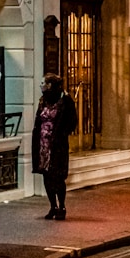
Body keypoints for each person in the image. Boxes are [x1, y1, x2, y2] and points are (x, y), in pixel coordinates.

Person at [31, 73, 78, 218]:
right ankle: (53, 206)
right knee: (46, 175)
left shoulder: (65, 100)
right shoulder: (43, 100)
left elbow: (72, 121)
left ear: (50, 85)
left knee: (57, 176)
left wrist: (61, 134)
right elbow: (38, 120)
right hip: (43, 144)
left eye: (43, 83)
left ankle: (62, 206)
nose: (41, 85)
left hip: (57, 144)